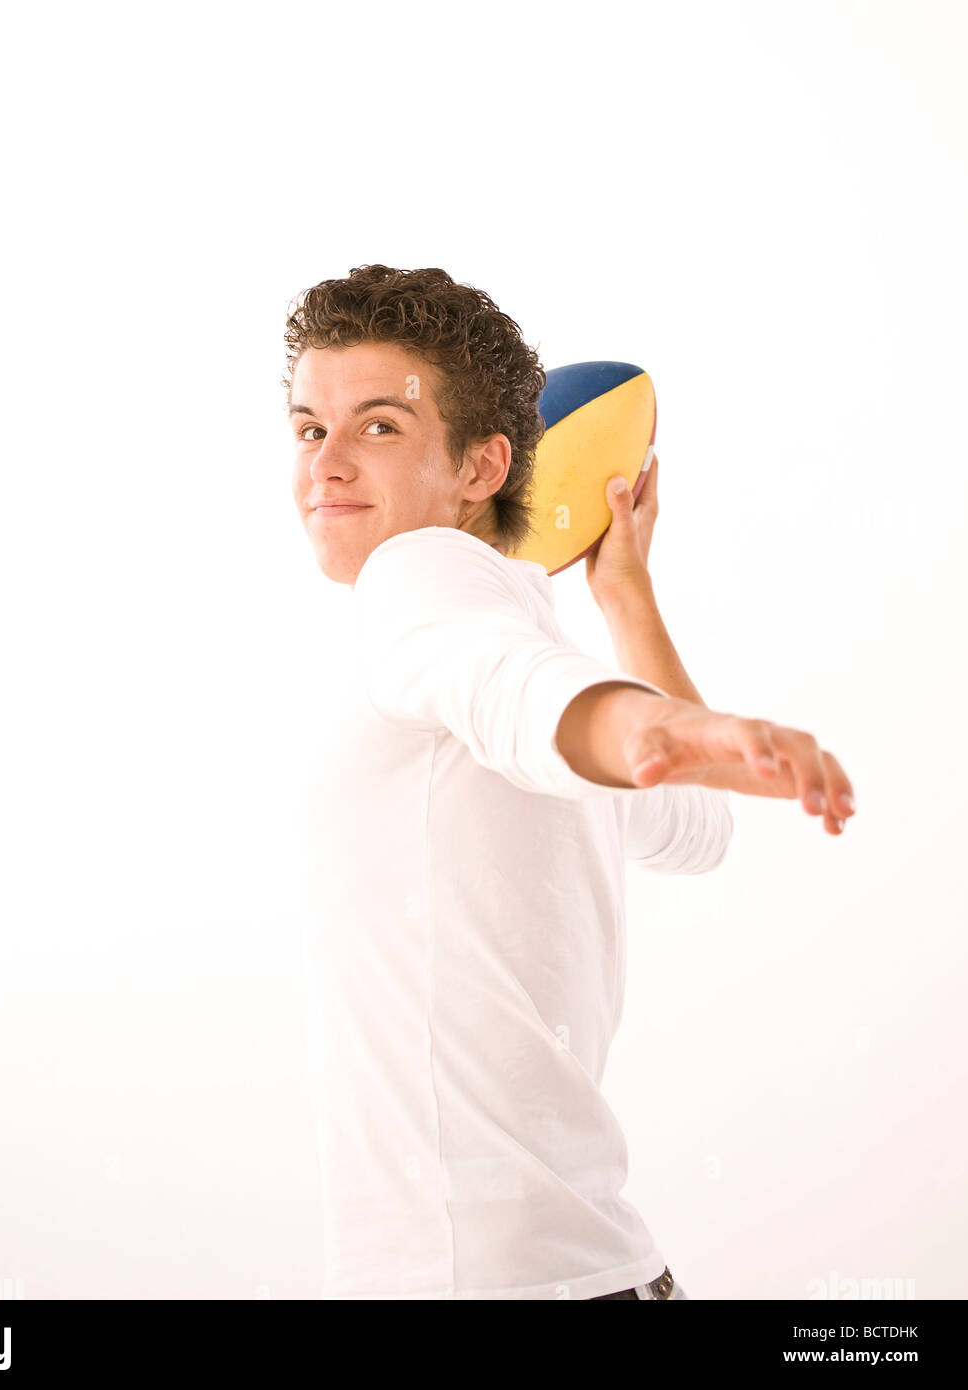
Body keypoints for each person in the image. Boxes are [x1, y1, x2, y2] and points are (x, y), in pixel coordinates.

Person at [284, 265, 856, 1301]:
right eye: (308, 428)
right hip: (601, 1270)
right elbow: (687, 817)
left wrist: (649, 700)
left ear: (482, 465)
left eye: (376, 426)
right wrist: (647, 669)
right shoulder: (491, 616)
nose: (324, 462)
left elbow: (542, 709)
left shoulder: (422, 588)